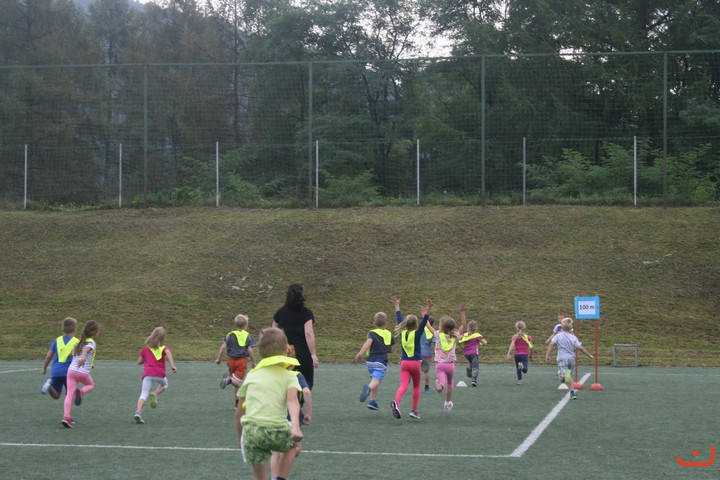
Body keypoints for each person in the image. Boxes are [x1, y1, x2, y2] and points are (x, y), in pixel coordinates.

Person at [236, 327, 303, 480]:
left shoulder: (251, 376)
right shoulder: (289, 376)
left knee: (259, 476)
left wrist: (241, 437)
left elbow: (239, 411)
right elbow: (293, 401)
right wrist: (295, 426)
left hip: (252, 433)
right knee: (294, 446)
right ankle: (280, 478)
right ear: (286, 350)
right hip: (277, 430)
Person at [270, 345, 312, 474]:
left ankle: (275, 476)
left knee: (275, 452)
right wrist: (308, 413)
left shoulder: (273, 375)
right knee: (295, 448)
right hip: (291, 419)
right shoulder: (297, 376)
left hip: (275, 417)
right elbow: (307, 392)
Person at [390, 295, 432, 421]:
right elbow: (424, 322)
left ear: (405, 324)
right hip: (415, 364)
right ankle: (414, 410)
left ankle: (397, 402)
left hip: (404, 363)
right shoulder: (417, 334)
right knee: (416, 386)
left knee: (403, 385)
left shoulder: (403, 333)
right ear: (416, 325)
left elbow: (399, 318)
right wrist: (428, 309)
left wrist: (396, 305)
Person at [273, 283, 319, 390]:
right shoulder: (307, 313)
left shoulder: (280, 313)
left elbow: (273, 333)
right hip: (303, 353)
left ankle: (289, 399)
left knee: (285, 382)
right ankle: (300, 399)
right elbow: (308, 333)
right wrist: (313, 354)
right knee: (306, 382)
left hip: (286, 352)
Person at [426, 303, 467, 411]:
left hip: (440, 364)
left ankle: (439, 385)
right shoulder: (455, 336)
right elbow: (463, 325)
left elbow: (427, 325)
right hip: (451, 365)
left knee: (441, 381)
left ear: (442, 327)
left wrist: (427, 311)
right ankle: (447, 402)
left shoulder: (438, 334)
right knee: (450, 384)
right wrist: (462, 312)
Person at [133, 326, 177, 424]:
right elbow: (168, 352)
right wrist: (173, 365)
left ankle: (138, 412)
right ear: (163, 338)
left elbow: (139, 362)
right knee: (165, 384)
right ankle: (155, 393)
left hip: (148, 374)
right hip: (159, 374)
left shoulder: (146, 348)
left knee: (143, 394)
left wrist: (145, 359)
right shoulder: (163, 348)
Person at [62, 320, 100, 428]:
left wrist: (88, 362)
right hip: (82, 372)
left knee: (69, 394)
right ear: (94, 332)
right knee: (90, 385)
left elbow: (72, 353)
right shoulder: (91, 342)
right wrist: (83, 358)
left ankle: (66, 417)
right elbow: (86, 351)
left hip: (71, 371)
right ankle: (81, 391)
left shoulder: (78, 342)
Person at [354, 311, 395, 411]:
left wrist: (360, 353)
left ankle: (372, 401)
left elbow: (368, 343)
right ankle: (369, 388)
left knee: (375, 379)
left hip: (370, 362)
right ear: (387, 323)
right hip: (380, 362)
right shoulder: (389, 334)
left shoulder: (372, 333)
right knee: (375, 382)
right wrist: (386, 348)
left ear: (374, 323)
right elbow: (392, 350)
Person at [545, 317, 593, 399]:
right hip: (571, 359)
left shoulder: (558, 335)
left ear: (561, 327)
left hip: (562, 358)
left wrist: (547, 355)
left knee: (563, 377)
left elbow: (551, 344)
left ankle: (564, 377)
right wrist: (589, 355)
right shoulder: (573, 337)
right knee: (568, 376)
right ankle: (572, 391)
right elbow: (580, 348)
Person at [216, 314, 257, 408]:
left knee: (235, 384)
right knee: (237, 383)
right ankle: (229, 380)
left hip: (231, 361)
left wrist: (219, 358)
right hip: (241, 362)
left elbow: (223, 347)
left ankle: (237, 402)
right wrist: (254, 362)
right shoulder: (247, 336)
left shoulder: (230, 335)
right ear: (246, 325)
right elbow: (250, 350)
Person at [40, 317, 79, 399]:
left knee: (56, 395)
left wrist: (44, 368)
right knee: (70, 394)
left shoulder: (57, 340)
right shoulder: (76, 342)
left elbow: (48, 356)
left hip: (56, 371)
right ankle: (67, 406)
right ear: (74, 329)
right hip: (69, 372)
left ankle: (49, 386)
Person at [458, 311, 488, 387]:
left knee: (471, 362)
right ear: (476, 328)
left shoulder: (465, 335)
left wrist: (462, 348)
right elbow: (484, 343)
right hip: (474, 353)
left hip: (466, 354)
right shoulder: (477, 335)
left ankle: (469, 367)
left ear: (468, 328)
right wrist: (484, 341)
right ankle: (474, 380)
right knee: (476, 367)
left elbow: (458, 341)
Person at [507, 321, 533, 385]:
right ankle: (523, 368)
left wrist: (509, 353)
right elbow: (531, 347)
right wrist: (531, 354)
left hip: (517, 355)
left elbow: (512, 345)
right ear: (524, 328)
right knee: (525, 370)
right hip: (524, 355)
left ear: (516, 328)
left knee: (518, 368)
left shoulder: (515, 337)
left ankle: (519, 381)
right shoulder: (528, 337)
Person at [419, 316, 436, 393]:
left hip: (417, 353)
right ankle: (426, 387)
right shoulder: (432, 332)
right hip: (426, 353)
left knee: (415, 370)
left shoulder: (419, 330)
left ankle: (409, 382)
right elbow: (436, 342)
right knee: (426, 371)